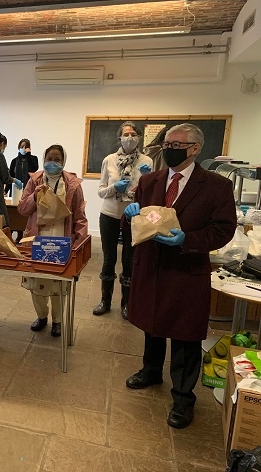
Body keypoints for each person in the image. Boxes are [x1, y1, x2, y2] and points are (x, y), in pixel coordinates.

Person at [124, 123, 236, 429]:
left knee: (185, 335)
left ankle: (184, 398)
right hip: (152, 266)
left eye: (177, 145)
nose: (170, 150)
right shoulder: (150, 181)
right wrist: (131, 213)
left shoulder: (216, 186)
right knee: (152, 324)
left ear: (195, 148)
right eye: (167, 145)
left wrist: (187, 240)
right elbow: (138, 226)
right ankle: (150, 371)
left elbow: (224, 229)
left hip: (187, 270)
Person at [17, 145, 87, 336]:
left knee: (59, 283)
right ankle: (41, 316)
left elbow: (80, 216)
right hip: (37, 240)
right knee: (37, 280)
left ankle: (57, 321)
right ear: (43, 158)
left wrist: (78, 244)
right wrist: (34, 195)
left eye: (57, 159)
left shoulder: (72, 184)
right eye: (49, 158)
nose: (52, 162)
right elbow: (23, 209)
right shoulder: (34, 180)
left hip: (62, 240)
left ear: (63, 161)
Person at [93, 121, 153, 319]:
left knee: (130, 259)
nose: (130, 137)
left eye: (133, 134)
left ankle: (127, 304)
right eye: (126, 134)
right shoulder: (109, 160)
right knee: (109, 258)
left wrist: (147, 178)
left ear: (139, 138)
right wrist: (114, 188)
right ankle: (105, 301)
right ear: (119, 137)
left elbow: (151, 193)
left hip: (133, 216)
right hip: (109, 214)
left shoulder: (147, 161)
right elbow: (101, 191)